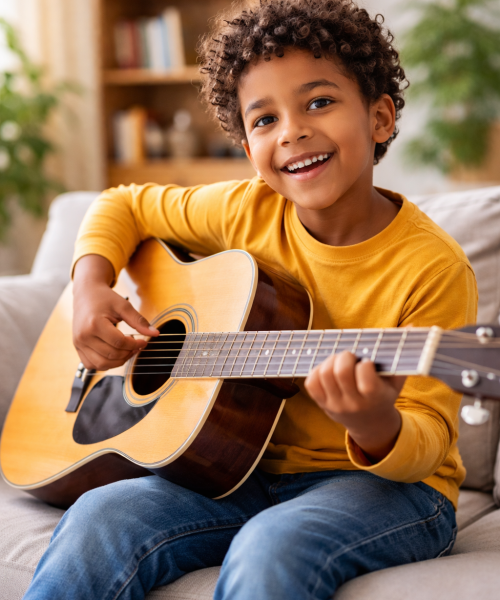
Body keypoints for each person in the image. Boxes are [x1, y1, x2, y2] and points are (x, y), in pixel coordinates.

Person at [23, 1, 477, 599]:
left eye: (319, 102)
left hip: (391, 491)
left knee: (271, 546)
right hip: (236, 472)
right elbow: (122, 204)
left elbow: (425, 441)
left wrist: (376, 425)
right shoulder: (244, 210)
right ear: (247, 148)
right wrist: (88, 287)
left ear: (381, 117)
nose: (291, 131)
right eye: (264, 120)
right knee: (98, 520)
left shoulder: (433, 267)